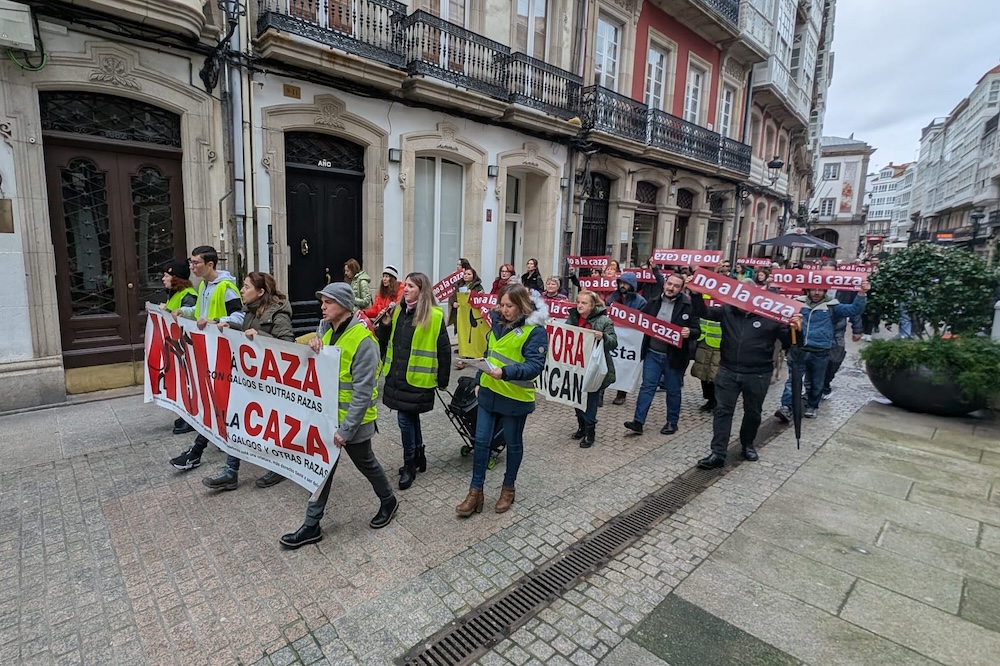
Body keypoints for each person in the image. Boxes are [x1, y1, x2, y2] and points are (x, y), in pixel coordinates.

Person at [280, 282, 398, 549]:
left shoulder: (364, 341)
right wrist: (313, 344)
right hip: (327, 419)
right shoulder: (326, 330)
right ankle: (312, 525)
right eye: (322, 302)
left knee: (366, 463)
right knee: (322, 470)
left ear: (344, 306)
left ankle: (389, 501)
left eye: (327, 303)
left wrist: (346, 430)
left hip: (352, 424)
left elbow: (364, 391)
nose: (322, 307)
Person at [455, 284, 548, 516]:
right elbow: (489, 355)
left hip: (514, 397)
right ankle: (475, 492)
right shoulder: (496, 322)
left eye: (510, 306)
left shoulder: (535, 330)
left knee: (513, 443)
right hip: (489, 392)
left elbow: (535, 366)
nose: (504, 310)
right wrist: (478, 378)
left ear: (521, 305)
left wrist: (505, 372)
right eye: (502, 305)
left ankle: (508, 488)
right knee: (481, 442)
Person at [203, 271, 296, 490]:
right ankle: (230, 472)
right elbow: (247, 331)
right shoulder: (249, 311)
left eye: (246, 287)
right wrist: (231, 327)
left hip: (271, 383)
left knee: (272, 426)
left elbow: (289, 346)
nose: (242, 291)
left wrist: (260, 338)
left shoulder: (278, 314)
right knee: (237, 420)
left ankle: (279, 468)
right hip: (250, 380)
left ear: (261, 292)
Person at [694, 281, 799, 469]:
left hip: (758, 374)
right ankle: (718, 452)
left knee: (753, 413)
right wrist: (695, 295)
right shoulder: (727, 310)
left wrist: (796, 329)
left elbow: (792, 343)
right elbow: (704, 313)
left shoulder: (772, 315)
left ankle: (747, 444)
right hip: (728, 371)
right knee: (723, 412)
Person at [169, 246, 244, 471]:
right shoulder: (203, 286)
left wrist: (216, 321)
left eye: (195, 263)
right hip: (209, 351)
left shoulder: (227, 288)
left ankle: (197, 452)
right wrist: (186, 312)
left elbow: (239, 316)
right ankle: (209, 445)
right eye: (191, 263)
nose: (191, 267)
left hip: (224, 352)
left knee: (217, 401)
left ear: (210, 264)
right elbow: (202, 313)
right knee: (214, 401)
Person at [382, 273, 451, 490]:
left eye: (411, 286)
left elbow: (444, 350)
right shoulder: (399, 312)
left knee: (405, 421)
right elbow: (387, 341)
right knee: (411, 418)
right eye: (406, 285)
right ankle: (419, 455)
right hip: (397, 376)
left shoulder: (434, 315)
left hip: (418, 379)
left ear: (422, 290)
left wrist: (443, 380)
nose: (406, 289)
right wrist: (384, 325)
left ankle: (409, 464)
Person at [775, 280, 868, 422]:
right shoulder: (797, 304)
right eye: (813, 289)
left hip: (820, 351)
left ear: (825, 291)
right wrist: (770, 286)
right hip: (799, 349)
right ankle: (786, 407)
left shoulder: (833, 306)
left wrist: (862, 293)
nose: (816, 292)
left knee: (816, 381)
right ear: (808, 290)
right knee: (793, 381)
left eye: (820, 289)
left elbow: (854, 310)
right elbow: (772, 307)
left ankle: (812, 405)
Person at [623, 273, 698, 436]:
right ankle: (638, 421)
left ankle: (672, 422)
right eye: (669, 284)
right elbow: (641, 321)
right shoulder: (653, 301)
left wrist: (689, 332)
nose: (671, 288)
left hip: (674, 356)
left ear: (681, 288)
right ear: (664, 284)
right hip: (653, 353)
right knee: (647, 387)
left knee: (673, 390)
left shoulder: (688, 305)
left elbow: (697, 330)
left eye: (676, 286)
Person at [566, 290, 617, 448]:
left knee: (591, 402)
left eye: (584, 303)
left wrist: (603, 337)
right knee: (576, 398)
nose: (580, 305)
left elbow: (613, 343)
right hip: (576, 366)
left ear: (593, 305)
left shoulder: (604, 321)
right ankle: (581, 426)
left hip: (593, 368)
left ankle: (590, 432)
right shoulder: (573, 317)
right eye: (578, 302)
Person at [160, 259, 198, 435]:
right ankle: (185, 415)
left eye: (167, 275)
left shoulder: (188, 295)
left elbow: (187, 322)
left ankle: (191, 418)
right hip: (177, 348)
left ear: (176, 278)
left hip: (186, 348)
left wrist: (166, 312)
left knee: (189, 383)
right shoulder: (175, 294)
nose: (163, 279)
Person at [819, 259, 863, 399]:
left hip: (837, 326)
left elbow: (853, 307)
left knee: (835, 358)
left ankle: (826, 382)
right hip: (818, 326)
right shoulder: (813, 285)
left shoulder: (844, 288)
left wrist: (857, 328)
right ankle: (814, 387)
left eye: (830, 273)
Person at [605, 271, 647, 405]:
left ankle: (621, 393)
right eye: (621, 283)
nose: (623, 286)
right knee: (605, 361)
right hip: (612, 333)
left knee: (624, 365)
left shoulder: (640, 302)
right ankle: (600, 392)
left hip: (629, 338)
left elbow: (642, 320)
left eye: (626, 283)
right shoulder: (613, 297)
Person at [364, 266, 404, 359]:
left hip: (391, 324)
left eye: (386, 276)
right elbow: (374, 310)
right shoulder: (381, 293)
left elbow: (397, 307)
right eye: (383, 277)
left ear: (392, 278)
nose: (384, 279)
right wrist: (363, 312)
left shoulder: (400, 290)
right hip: (381, 325)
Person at [449, 266, 485, 369]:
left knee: (473, 336)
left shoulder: (478, 286)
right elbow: (452, 297)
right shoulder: (458, 285)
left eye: (469, 274)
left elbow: (481, 299)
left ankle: (475, 356)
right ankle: (463, 357)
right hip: (462, 315)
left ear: (473, 276)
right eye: (465, 274)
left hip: (473, 315)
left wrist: (478, 294)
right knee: (463, 335)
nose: (466, 276)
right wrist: (454, 303)